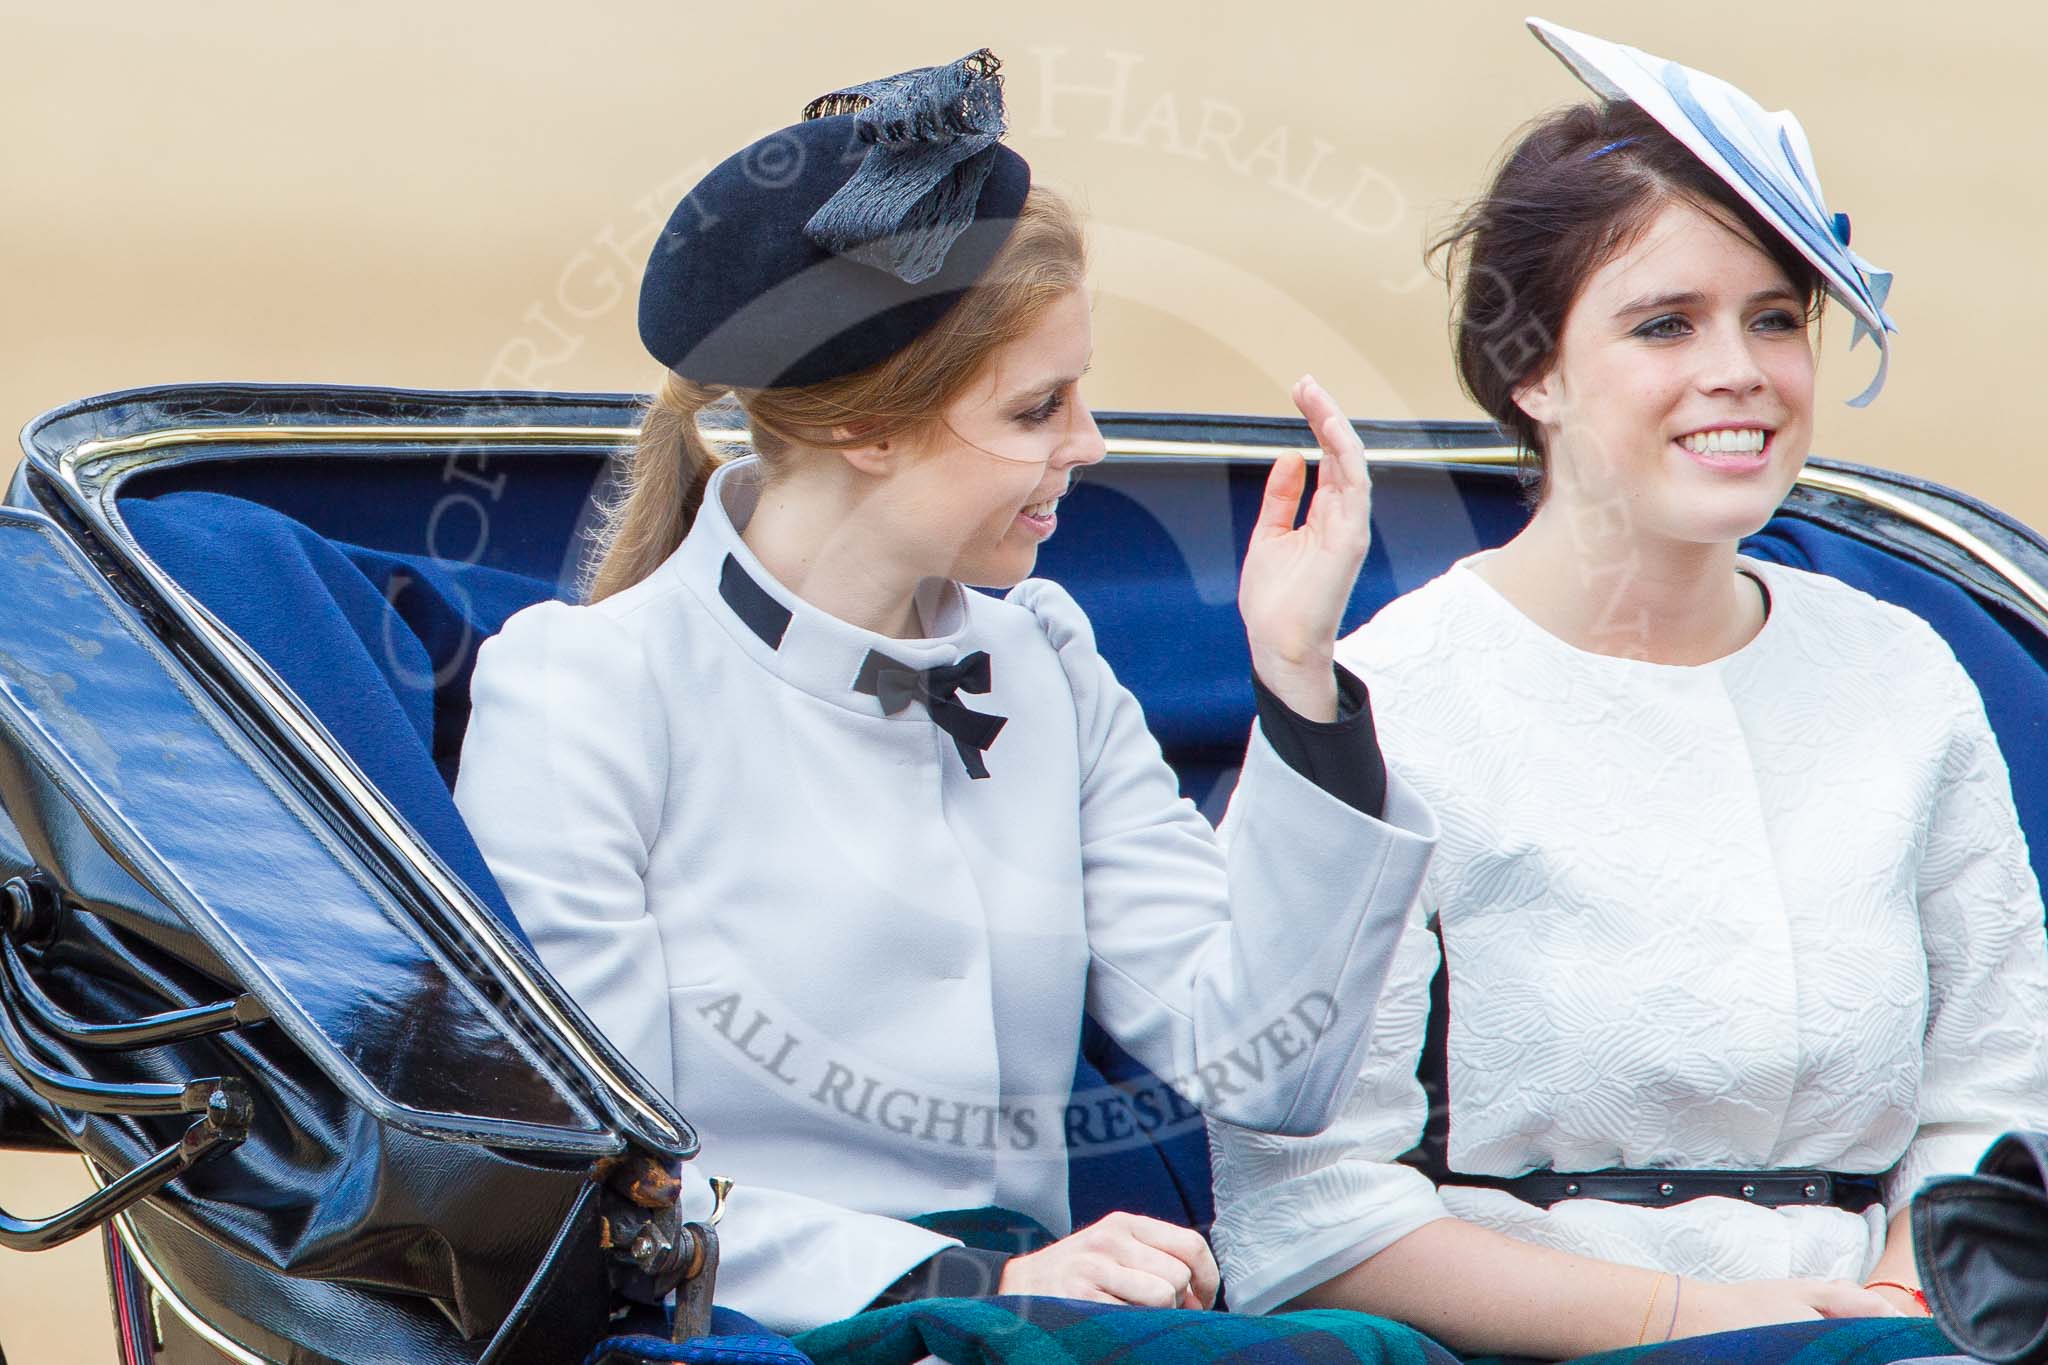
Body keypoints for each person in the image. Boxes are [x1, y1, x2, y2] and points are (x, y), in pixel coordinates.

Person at [451, 51, 1436, 1334]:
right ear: (867, 429)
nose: (1087, 445)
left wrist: (1302, 691)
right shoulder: (583, 688)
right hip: (766, 1324)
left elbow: (1267, 1067)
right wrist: (968, 1281)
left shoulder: (1043, 655)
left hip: (1025, 1312)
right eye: (1038, 408)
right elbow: (607, 1184)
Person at [1205, 18, 2048, 1361]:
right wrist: (1716, 1325)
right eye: (1666, 323)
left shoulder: (1903, 673)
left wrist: (1889, 1309)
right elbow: (1305, 1213)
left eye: (1777, 319)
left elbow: (1999, 1106)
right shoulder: (1390, 698)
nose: (1742, 371)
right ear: (1533, 368)